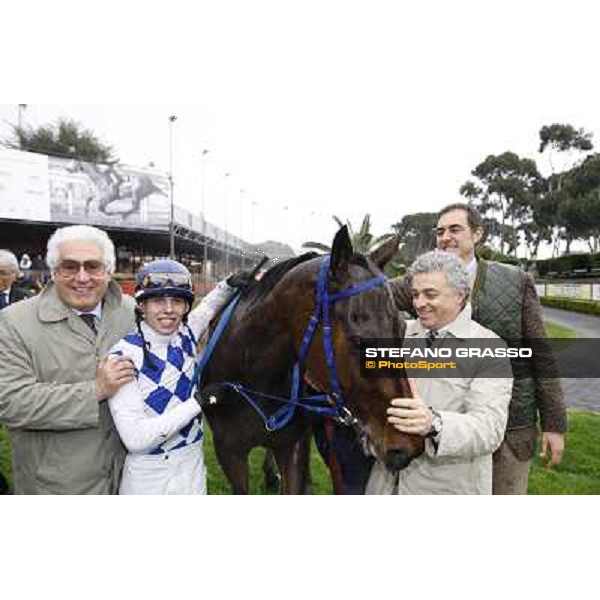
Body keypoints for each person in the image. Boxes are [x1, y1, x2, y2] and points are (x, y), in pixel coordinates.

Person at [390, 203, 567, 494]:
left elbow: (542, 354)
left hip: (510, 425)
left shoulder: (515, 280)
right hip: (438, 427)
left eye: (455, 229)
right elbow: (369, 295)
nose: (445, 237)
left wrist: (554, 424)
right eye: (440, 231)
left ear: (477, 234)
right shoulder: (415, 280)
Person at [0, 225, 137, 494]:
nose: (82, 277)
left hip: (128, 479)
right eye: (70, 267)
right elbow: (11, 403)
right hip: (56, 487)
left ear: (108, 271)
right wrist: (95, 390)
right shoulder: (13, 322)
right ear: (53, 271)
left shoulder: (131, 311)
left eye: (93, 266)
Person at [367, 250, 512, 494]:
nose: (419, 303)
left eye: (430, 294)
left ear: (460, 295)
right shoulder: (399, 335)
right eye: (415, 294)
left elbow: (490, 428)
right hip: (384, 486)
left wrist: (434, 424)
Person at [107, 259, 246, 495]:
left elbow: (209, 306)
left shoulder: (186, 331)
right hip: (148, 476)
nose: (169, 310)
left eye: (178, 301)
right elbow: (136, 439)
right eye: (158, 300)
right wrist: (199, 402)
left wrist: (229, 283)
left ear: (185, 307)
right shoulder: (122, 356)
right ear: (141, 305)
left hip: (192, 465)